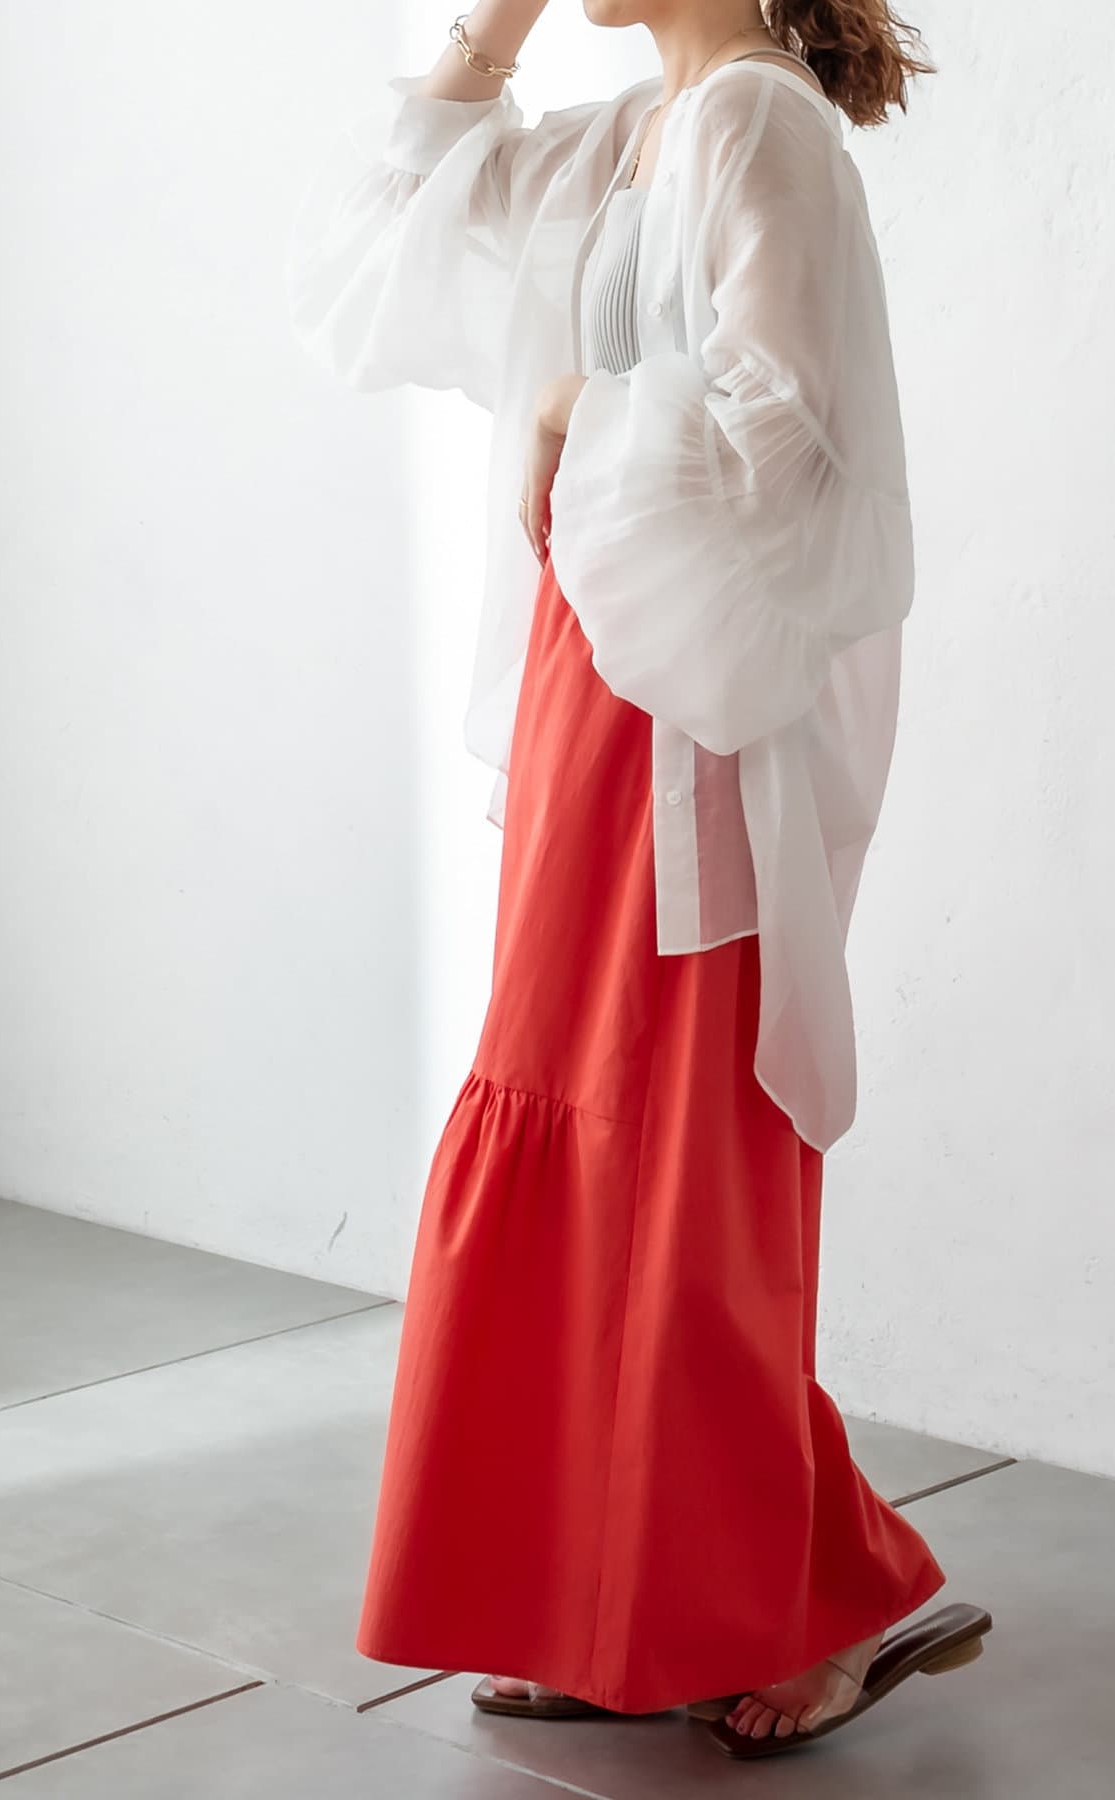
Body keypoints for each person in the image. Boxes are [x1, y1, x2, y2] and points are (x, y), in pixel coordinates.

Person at [286, 0, 990, 1759]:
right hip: (586, 694)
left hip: (685, 734)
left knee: (675, 1147)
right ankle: (603, 1606)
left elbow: (800, 451)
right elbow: (386, 263)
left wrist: (574, 399)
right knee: (582, 1123)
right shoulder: (629, 134)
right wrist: (496, 24)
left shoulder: (760, 126)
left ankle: (819, 1599)